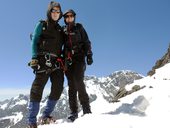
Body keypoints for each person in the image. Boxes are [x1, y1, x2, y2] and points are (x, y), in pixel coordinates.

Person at [28, 1, 64, 128]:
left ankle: (45, 116)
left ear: (60, 14)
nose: (55, 13)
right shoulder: (42, 24)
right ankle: (32, 122)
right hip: (43, 60)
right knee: (37, 89)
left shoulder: (60, 29)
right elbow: (34, 41)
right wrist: (34, 58)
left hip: (57, 63)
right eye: (53, 11)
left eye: (58, 11)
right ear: (49, 12)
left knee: (58, 88)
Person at [62, 9, 93, 122]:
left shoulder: (79, 28)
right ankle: (74, 112)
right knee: (71, 86)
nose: (69, 18)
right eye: (67, 16)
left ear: (74, 17)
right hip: (68, 61)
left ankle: (86, 109)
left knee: (78, 81)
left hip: (79, 58)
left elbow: (86, 41)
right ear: (65, 19)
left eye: (71, 16)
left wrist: (89, 55)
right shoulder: (63, 30)